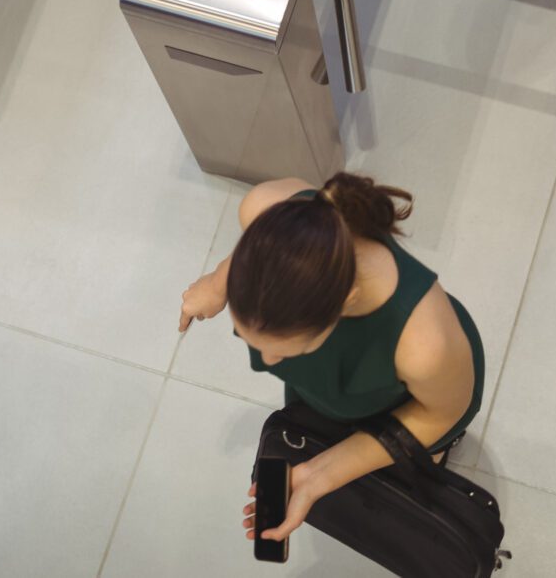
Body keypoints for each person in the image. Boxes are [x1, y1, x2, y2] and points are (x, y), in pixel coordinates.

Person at [178, 173, 485, 553]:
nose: (267, 363)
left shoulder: (425, 346)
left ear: (343, 305)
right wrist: (217, 282)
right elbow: (255, 246)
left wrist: (321, 474)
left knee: (423, 453)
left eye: (287, 351)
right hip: (335, 387)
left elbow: (441, 412)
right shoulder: (261, 206)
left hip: (420, 399)